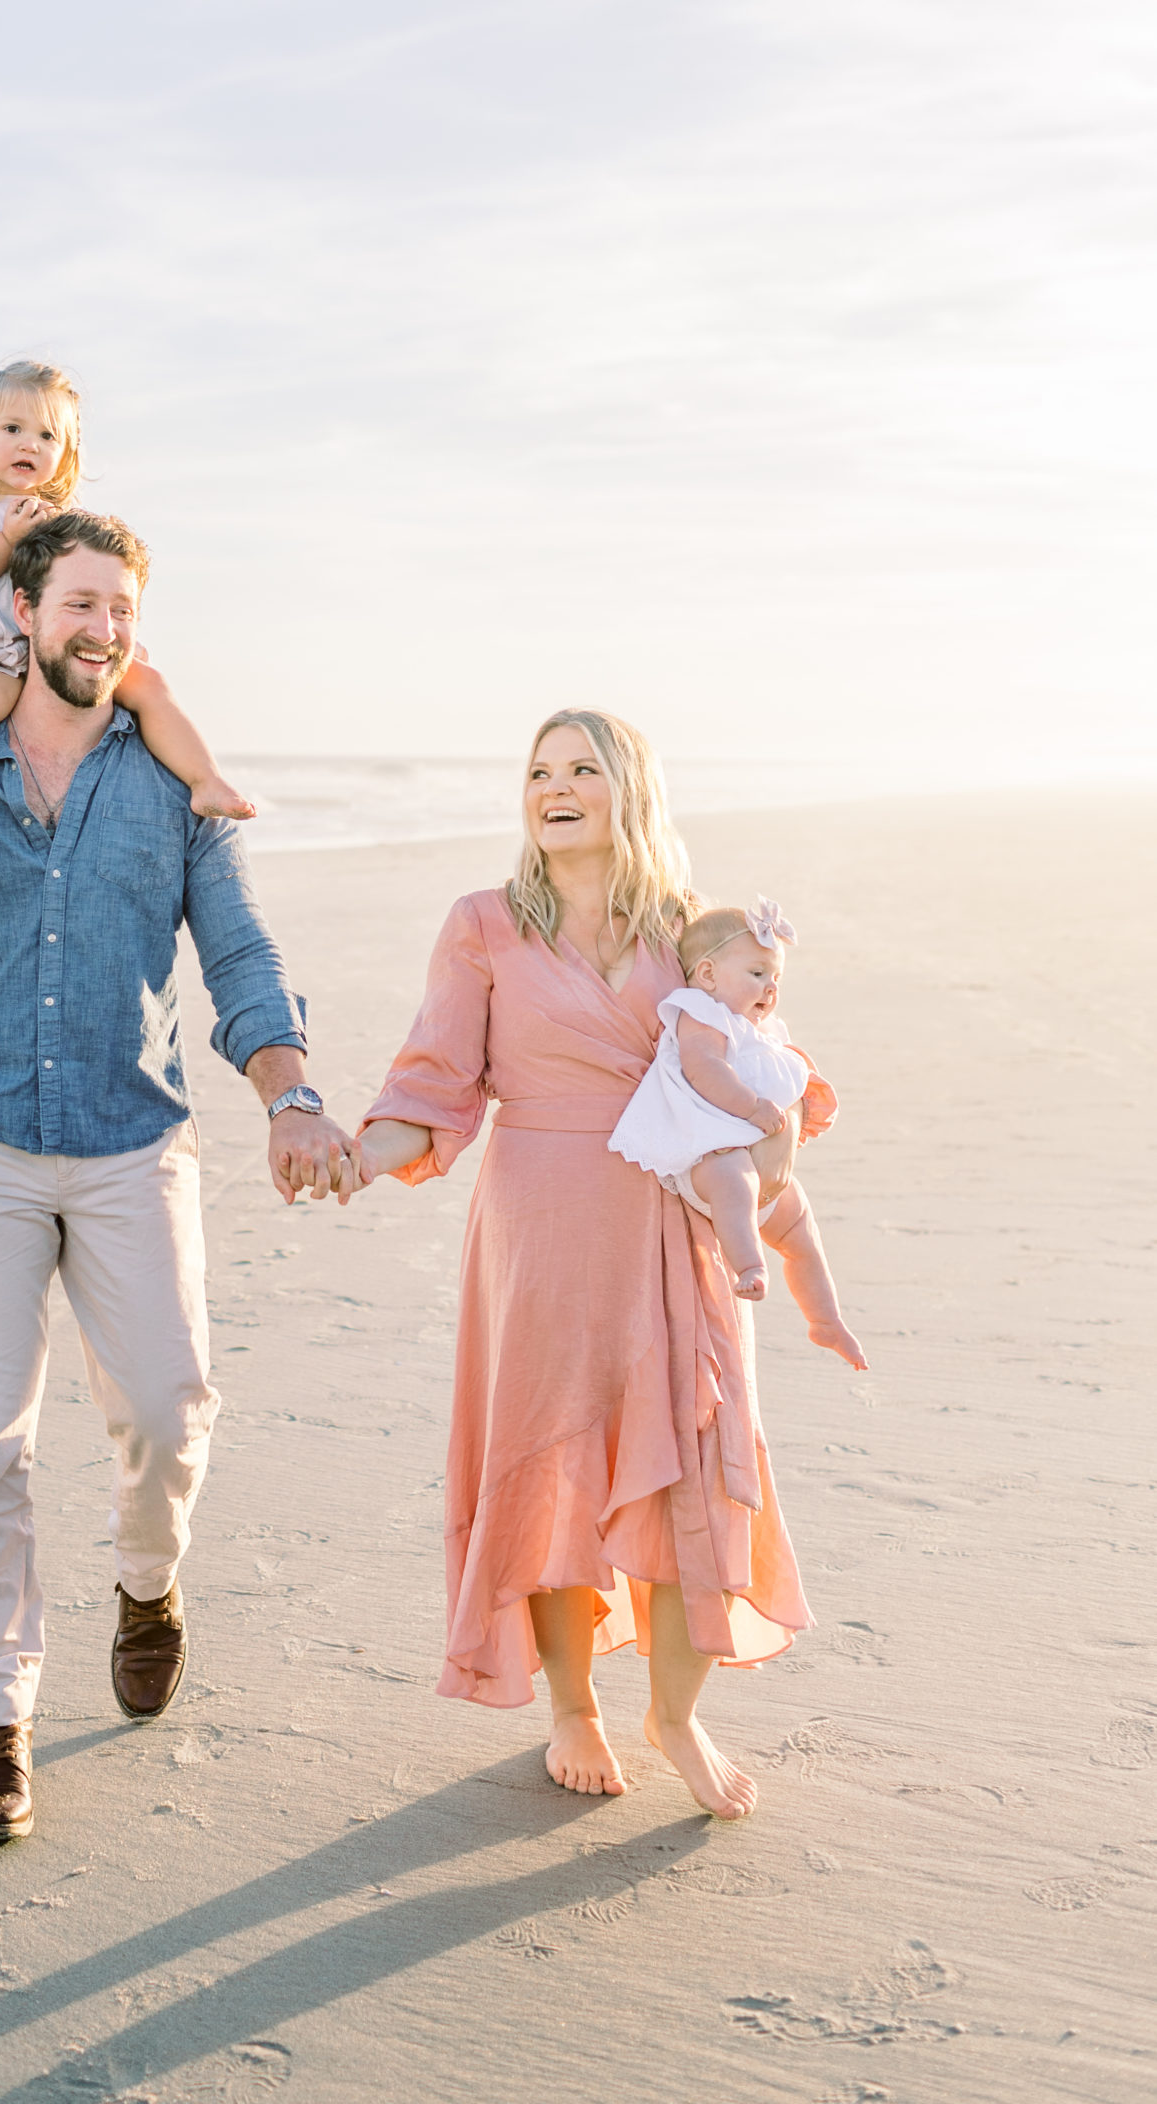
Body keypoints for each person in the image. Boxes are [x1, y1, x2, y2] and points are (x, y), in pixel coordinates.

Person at [0, 508, 357, 1843]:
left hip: (133, 1145)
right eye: (79, 605)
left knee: (172, 1412)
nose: (102, 630)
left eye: (121, 610)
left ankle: (145, 1580)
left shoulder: (164, 781)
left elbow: (237, 954)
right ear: (21, 611)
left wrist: (288, 1094)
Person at [354, 708, 819, 1821]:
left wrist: (775, 1136)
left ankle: (675, 1713)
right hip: (545, 1221)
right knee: (553, 1461)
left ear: (629, 790)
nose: (554, 787)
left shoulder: (683, 930)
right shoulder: (484, 924)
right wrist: (354, 1155)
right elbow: (434, 1081)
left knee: (696, 1465)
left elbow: (760, 1041)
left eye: (582, 770)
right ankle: (573, 1704)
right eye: (538, 771)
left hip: (676, 1222)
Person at [0, 358, 253, 887]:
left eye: (46, 435)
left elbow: (87, 588)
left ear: (66, 454)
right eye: (12, 429)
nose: (29, 445)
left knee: (148, 684)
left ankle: (205, 780)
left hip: (55, 659)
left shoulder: (62, 517)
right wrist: (7, 541)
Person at [609, 899, 867, 1366]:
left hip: (767, 1175)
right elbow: (703, 1068)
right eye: (757, 974)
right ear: (707, 975)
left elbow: (786, 1074)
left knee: (802, 1234)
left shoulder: (760, 1029)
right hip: (712, 1159)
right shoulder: (700, 1012)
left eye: (776, 979)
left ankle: (826, 1319)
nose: (770, 988)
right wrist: (751, 1107)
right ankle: (748, 1264)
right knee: (735, 1180)